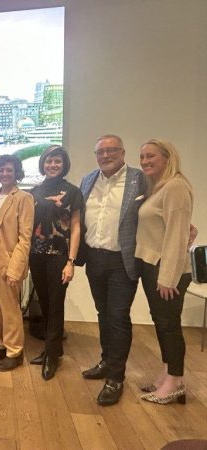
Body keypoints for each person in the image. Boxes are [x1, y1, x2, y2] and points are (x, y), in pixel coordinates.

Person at [79, 134, 147, 406]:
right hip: (94, 258)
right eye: (101, 152)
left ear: (123, 152)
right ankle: (106, 361)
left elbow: (157, 209)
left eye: (112, 150)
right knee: (103, 313)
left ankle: (116, 378)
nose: (106, 155)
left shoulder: (140, 179)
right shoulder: (88, 180)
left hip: (122, 260)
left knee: (118, 316)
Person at [135, 139, 193, 405]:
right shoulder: (159, 187)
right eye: (142, 157)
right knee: (162, 322)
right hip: (153, 265)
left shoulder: (176, 186)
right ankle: (168, 375)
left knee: (169, 325)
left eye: (151, 156)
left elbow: (176, 235)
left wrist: (168, 278)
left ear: (168, 158)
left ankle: (175, 381)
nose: (145, 161)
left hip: (167, 270)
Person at [29, 145, 82, 380]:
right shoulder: (34, 192)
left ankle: (52, 356)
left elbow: (76, 227)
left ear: (64, 164)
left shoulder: (73, 192)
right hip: (36, 254)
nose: (53, 165)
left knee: (56, 303)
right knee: (45, 303)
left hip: (60, 255)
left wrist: (71, 261)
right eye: (49, 161)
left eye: (57, 161)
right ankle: (52, 349)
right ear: (43, 164)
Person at [0, 155, 34, 371]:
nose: (4, 173)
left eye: (9, 170)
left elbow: (25, 238)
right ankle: (0, 344)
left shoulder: (24, 198)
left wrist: (16, 268)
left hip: (8, 256)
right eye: (1, 170)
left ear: (16, 173)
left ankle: (15, 351)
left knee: (10, 306)